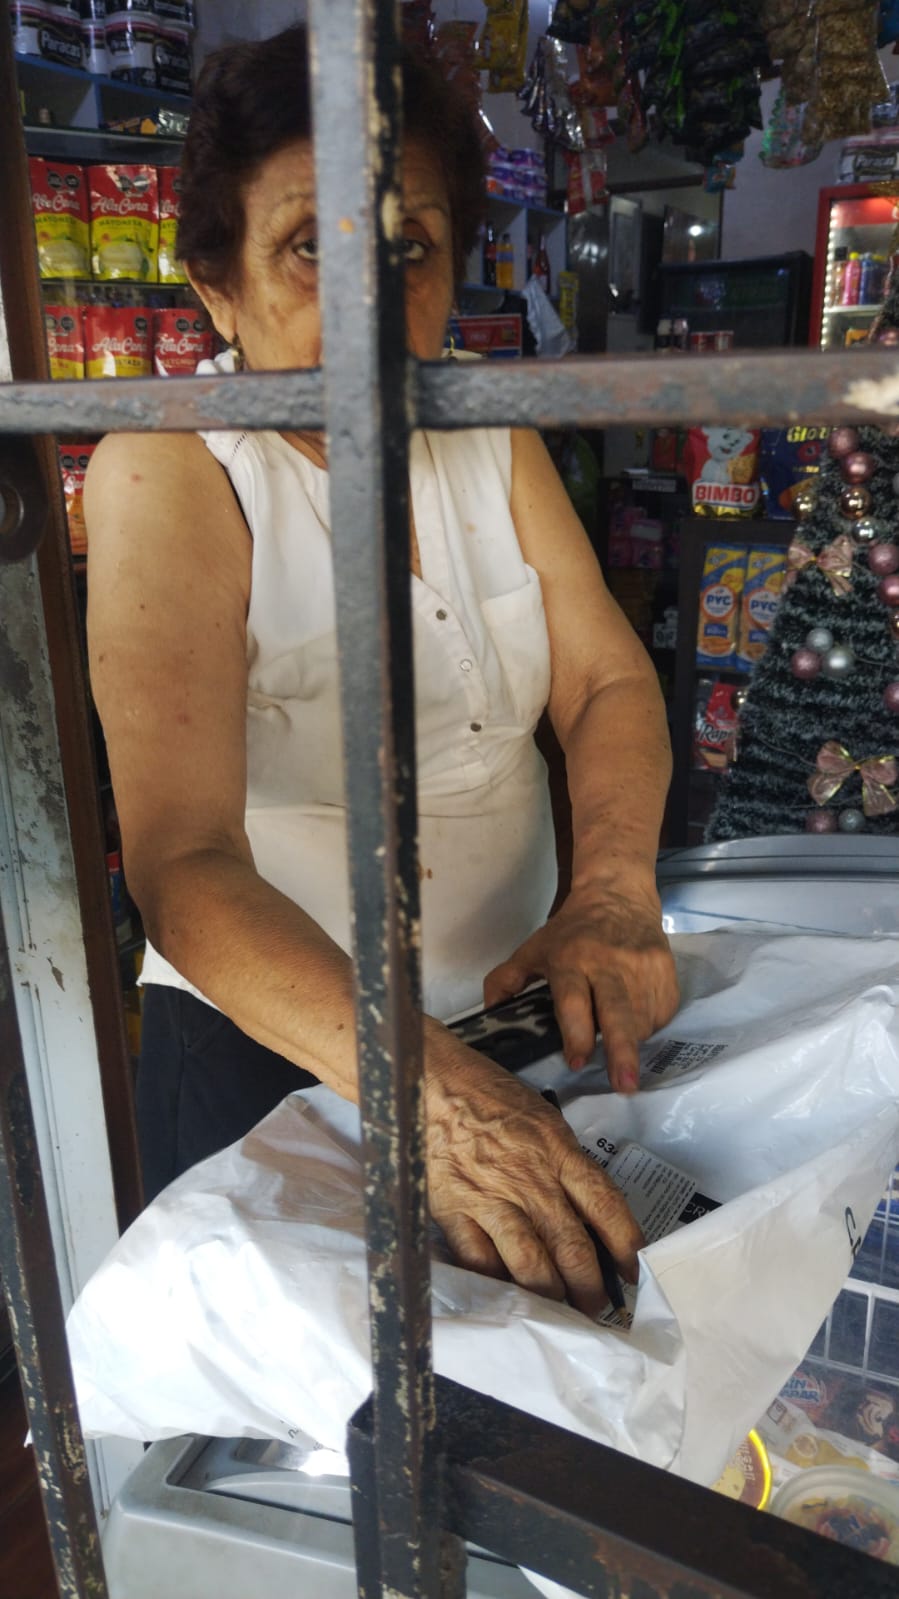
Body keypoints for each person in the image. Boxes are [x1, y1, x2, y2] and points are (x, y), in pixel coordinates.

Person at [85, 24, 679, 1319]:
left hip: (514, 1026)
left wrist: (612, 891)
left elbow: (604, 684)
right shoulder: (174, 470)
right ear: (216, 286)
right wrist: (433, 1099)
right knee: (308, 1408)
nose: (367, 296)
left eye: (410, 246)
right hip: (282, 1055)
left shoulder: (484, 430)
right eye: (311, 246)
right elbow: (183, 861)